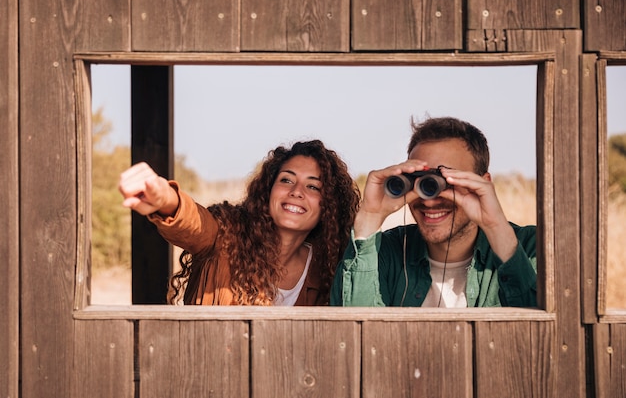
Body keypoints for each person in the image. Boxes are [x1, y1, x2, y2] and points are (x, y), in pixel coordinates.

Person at [119, 140, 360, 306]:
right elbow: (194, 223)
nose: (297, 191)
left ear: (328, 205)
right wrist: (166, 199)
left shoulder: (327, 269)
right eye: (286, 180)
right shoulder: (227, 236)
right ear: (268, 191)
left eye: (312, 186)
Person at [330, 116, 537, 307]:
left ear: (483, 184)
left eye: (446, 181)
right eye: (419, 180)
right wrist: (370, 217)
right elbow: (352, 330)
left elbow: (541, 331)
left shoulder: (532, 249)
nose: (429, 201)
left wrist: (496, 227)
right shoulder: (385, 252)